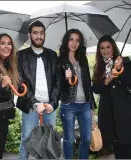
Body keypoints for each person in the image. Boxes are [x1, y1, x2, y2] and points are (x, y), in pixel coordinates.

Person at [92, 35, 131, 159]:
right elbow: (96, 89)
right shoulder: (99, 67)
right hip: (108, 113)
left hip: (123, 111)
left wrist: (120, 70)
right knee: (115, 145)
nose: (105, 51)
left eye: (108, 47)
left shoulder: (124, 61)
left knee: (125, 146)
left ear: (113, 47)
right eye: (102, 48)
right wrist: (106, 80)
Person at [16, 20, 61, 160]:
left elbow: (58, 82)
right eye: (35, 33)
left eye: (41, 33)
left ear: (45, 35)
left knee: (49, 143)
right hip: (30, 106)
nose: (38, 36)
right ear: (30, 35)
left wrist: (52, 103)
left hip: (49, 107)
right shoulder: (20, 56)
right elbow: (19, 82)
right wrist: (35, 103)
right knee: (26, 141)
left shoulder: (53, 55)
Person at [58, 29, 96, 159]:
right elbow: (57, 85)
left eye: (77, 40)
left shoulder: (82, 58)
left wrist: (91, 105)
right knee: (69, 139)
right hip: (69, 104)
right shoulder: (60, 61)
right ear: (66, 41)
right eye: (71, 39)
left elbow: (87, 83)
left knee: (86, 139)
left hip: (85, 104)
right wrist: (64, 77)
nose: (74, 43)